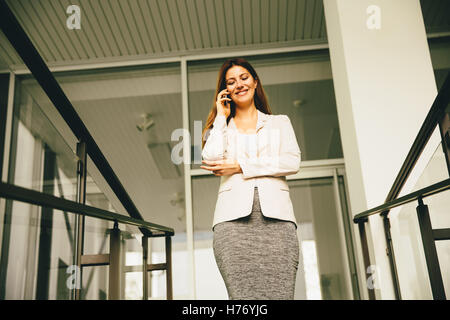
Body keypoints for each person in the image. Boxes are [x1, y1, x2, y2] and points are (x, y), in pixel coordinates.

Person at [200, 58, 302, 300]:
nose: (239, 85)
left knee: (281, 294)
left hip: (278, 222)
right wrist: (221, 117)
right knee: (242, 298)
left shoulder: (279, 122)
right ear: (226, 91)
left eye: (244, 78)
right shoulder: (221, 127)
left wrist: (240, 166)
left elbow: (291, 162)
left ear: (255, 82)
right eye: (231, 82)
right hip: (232, 224)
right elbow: (211, 158)